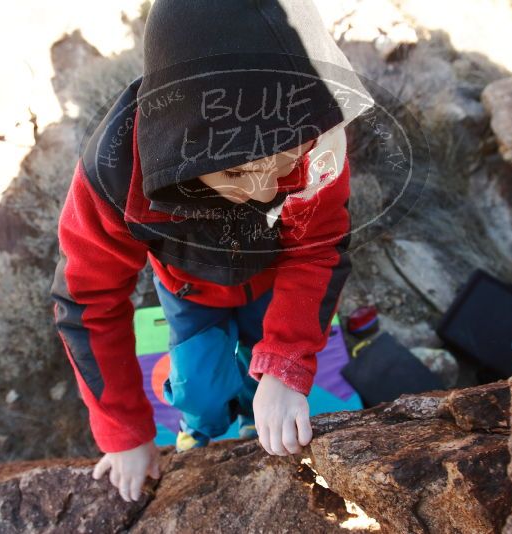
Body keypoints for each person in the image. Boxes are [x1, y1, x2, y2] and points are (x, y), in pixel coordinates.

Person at [49, 0, 373, 503]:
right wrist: (125, 434)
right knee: (200, 392)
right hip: (188, 291)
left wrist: (286, 364)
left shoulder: (316, 137)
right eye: (237, 172)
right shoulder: (115, 174)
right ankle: (200, 424)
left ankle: (250, 414)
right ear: (177, 142)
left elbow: (316, 248)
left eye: (281, 164)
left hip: (273, 281)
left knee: (261, 382)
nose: (266, 192)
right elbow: (87, 299)